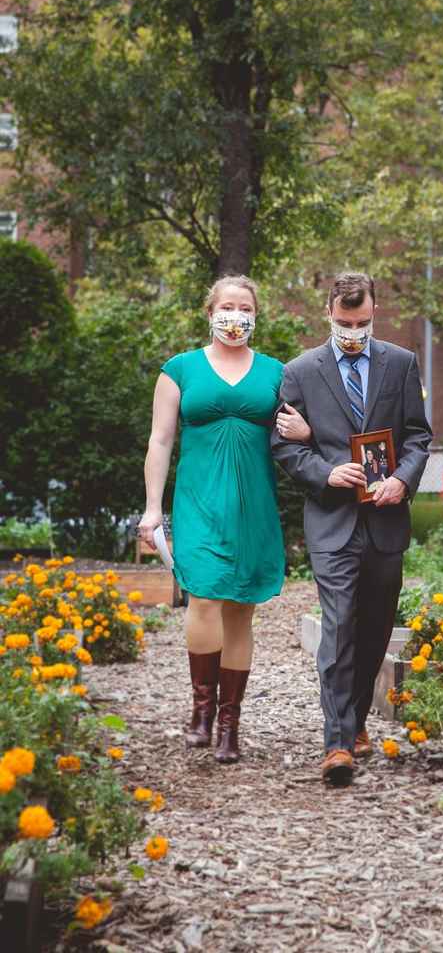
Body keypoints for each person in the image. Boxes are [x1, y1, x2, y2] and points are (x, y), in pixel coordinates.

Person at [137, 275, 310, 765]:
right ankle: (202, 712)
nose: (236, 315)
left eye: (245, 308)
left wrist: (307, 429)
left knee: (240, 611)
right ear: (210, 312)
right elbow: (160, 441)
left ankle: (231, 726)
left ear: (256, 316)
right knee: (205, 598)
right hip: (198, 502)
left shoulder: (277, 373)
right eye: (228, 306)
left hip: (253, 505)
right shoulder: (180, 370)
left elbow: (302, 434)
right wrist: (154, 509)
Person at [271, 272, 432, 786]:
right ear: (328, 313)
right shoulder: (299, 371)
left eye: (362, 323)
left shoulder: (402, 364)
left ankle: (355, 719)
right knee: (339, 625)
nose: (352, 331)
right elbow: (285, 447)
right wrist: (326, 471)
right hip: (332, 521)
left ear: (375, 312)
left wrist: (404, 482)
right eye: (344, 322)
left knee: (375, 630)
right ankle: (337, 742)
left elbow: (417, 437)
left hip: (386, 520)